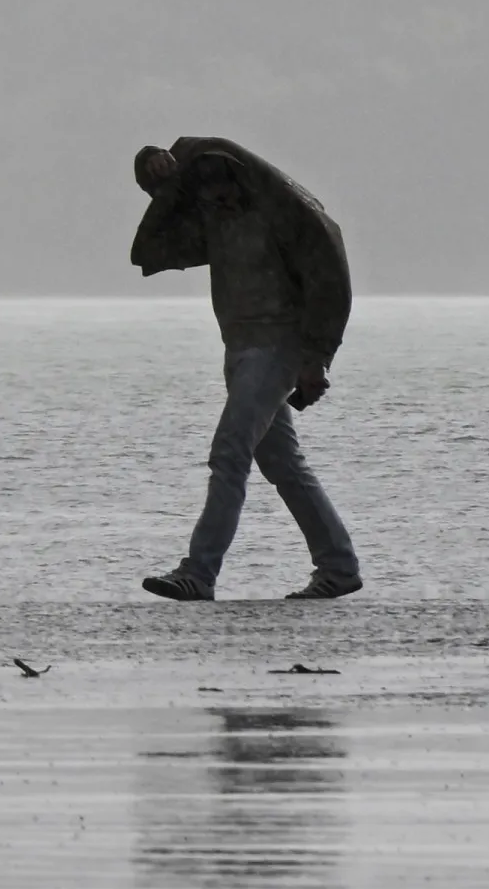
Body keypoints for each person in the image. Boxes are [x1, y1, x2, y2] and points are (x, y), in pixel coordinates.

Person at [130, 137, 362, 600]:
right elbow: (149, 251)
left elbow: (329, 278)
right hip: (238, 351)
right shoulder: (215, 225)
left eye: (223, 182)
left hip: (276, 349)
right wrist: (156, 173)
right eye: (206, 187)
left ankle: (199, 572)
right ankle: (338, 566)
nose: (218, 195)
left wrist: (317, 358)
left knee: (230, 452)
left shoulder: (278, 218)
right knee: (282, 463)